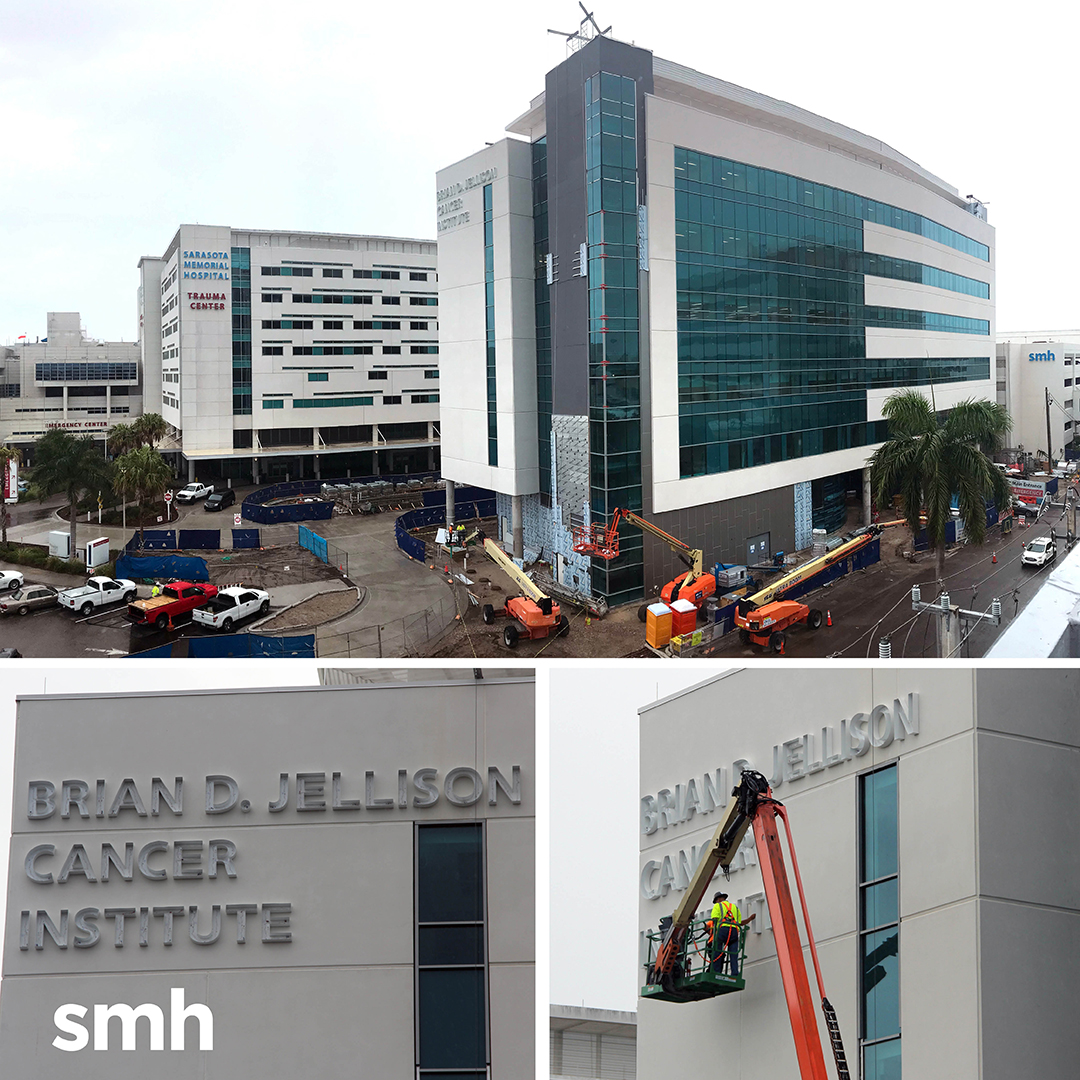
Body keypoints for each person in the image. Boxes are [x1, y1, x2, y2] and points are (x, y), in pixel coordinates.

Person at [707, 890, 755, 977]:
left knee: (717, 951)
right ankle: (735, 973)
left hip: (722, 930)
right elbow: (739, 923)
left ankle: (716, 972)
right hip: (734, 932)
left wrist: (714, 933)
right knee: (733, 954)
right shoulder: (735, 907)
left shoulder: (718, 906)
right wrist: (749, 919)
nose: (716, 902)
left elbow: (714, 920)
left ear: (719, 899)